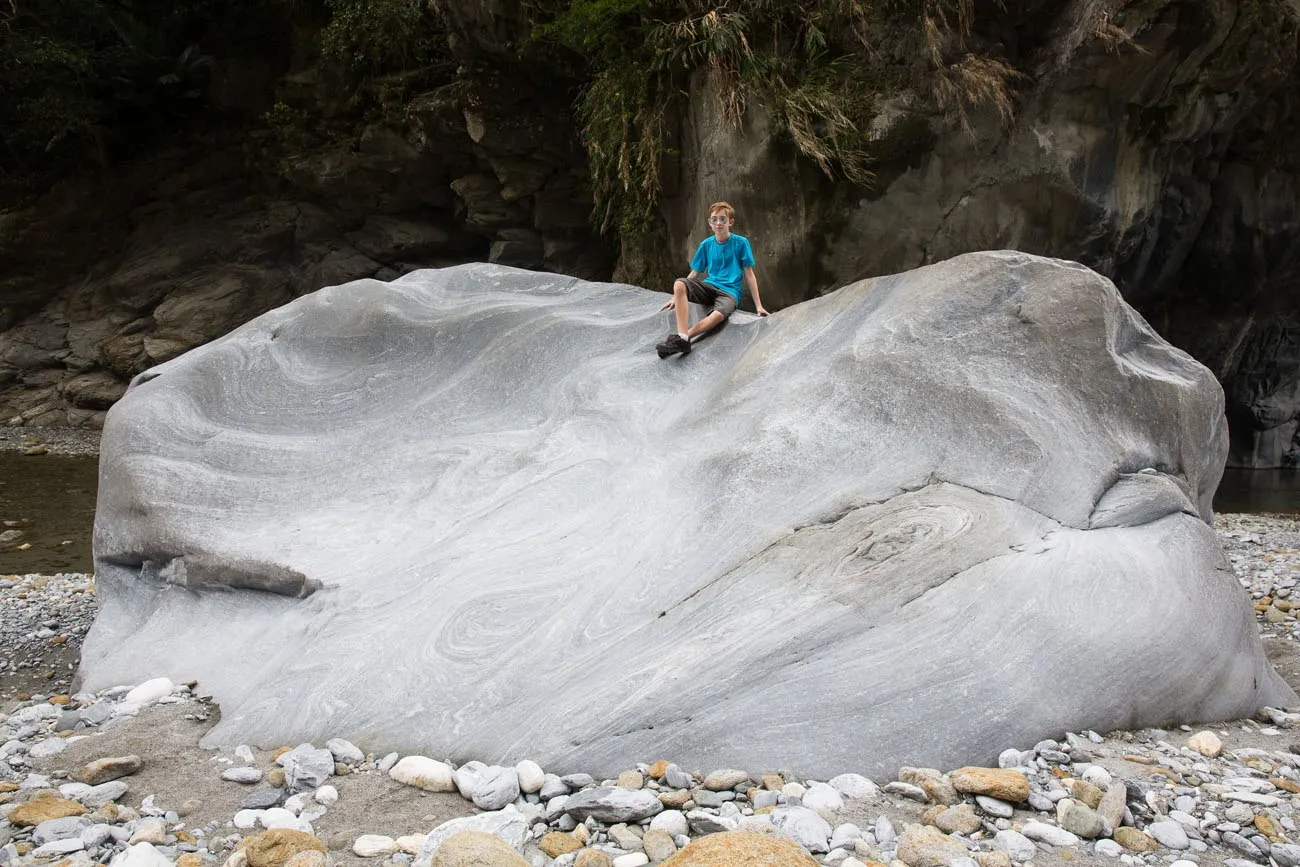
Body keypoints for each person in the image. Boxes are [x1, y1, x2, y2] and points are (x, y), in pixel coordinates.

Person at [656, 201, 769, 358]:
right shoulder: (706, 244)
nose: (718, 223)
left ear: (730, 221)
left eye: (722, 219)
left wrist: (759, 306)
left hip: (729, 293)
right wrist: (677, 295)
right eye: (714, 219)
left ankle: (683, 338)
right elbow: (695, 272)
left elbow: (749, 274)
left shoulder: (741, 243)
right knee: (679, 283)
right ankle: (681, 337)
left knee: (716, 316)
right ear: (709, 222)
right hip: (709, 287)